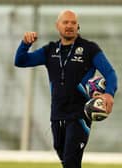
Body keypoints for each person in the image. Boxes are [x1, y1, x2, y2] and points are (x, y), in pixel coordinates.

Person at [14, 10, 117, 168]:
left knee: (70, 160)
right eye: (65, 22)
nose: (69, 26)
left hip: (79, 116)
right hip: (56, 115)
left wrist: (109, 94)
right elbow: (20, 61)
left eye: (73, 23)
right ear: (57, 26)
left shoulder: (89, 49)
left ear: (78, 26)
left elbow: (110, 73)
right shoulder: (49, 51)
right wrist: (25, 43)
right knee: (68, 161)